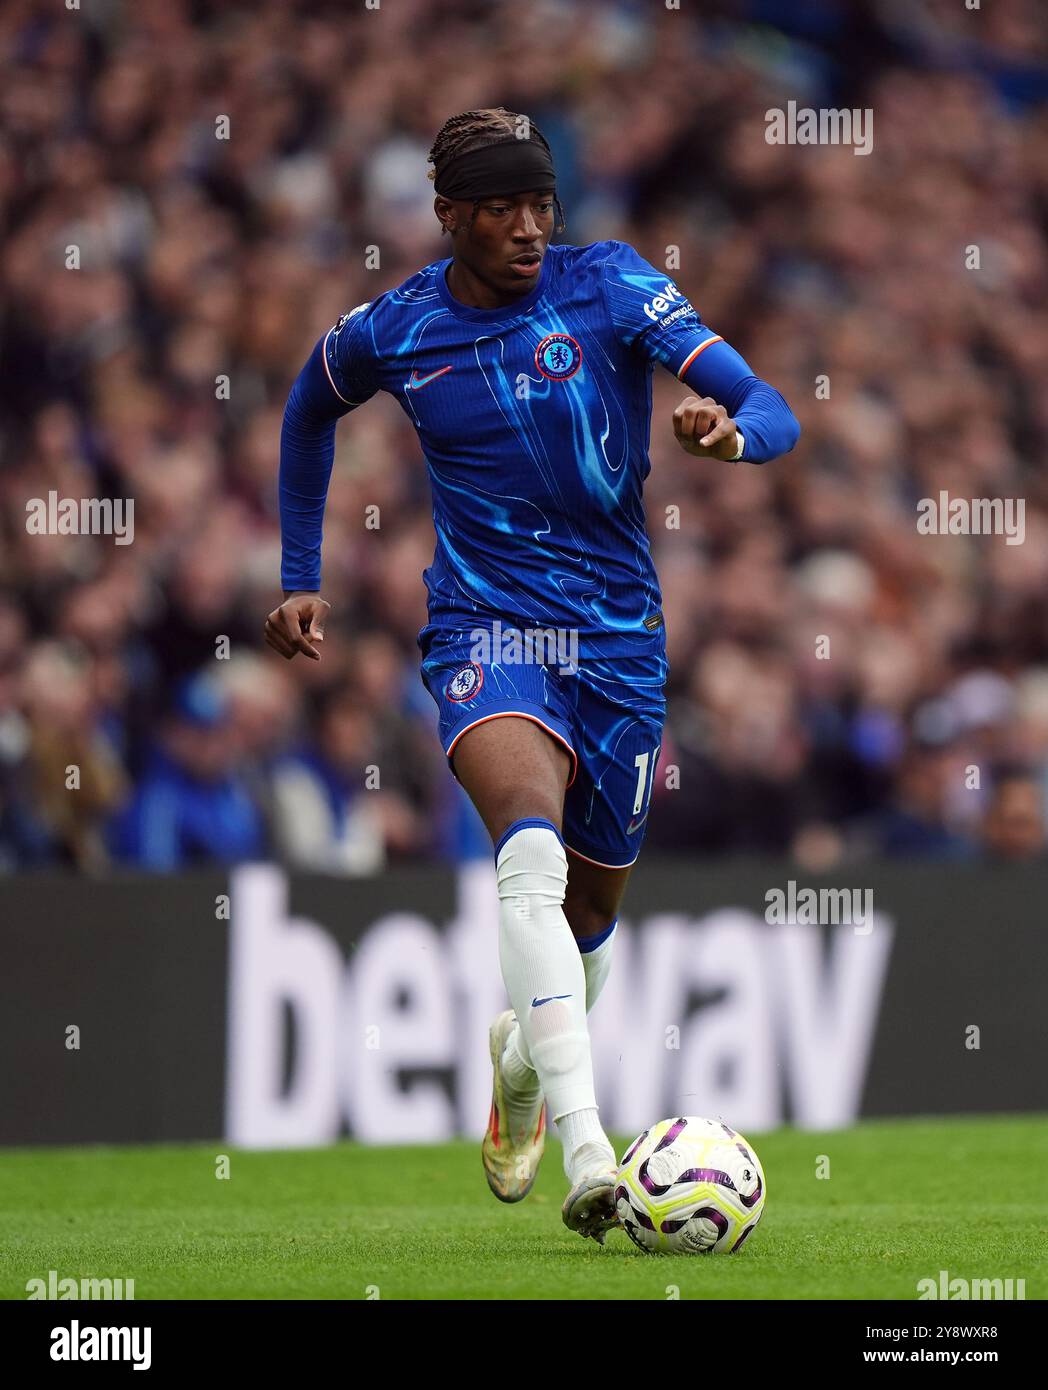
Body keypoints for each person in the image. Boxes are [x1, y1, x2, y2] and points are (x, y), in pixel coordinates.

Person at [265, 107, 800, 1242]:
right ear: (448, 214)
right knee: (527, 852)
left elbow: (772, 405)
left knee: (592, 910)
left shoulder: (611, 286)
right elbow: (307, 407)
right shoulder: (396, 327)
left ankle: (519, 1062)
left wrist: (729, 435)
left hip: (617, 641)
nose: (524, 226)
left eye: (539, 204)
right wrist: (301, 570)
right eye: (499, 207)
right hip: (486, 629)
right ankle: (591, 1147)